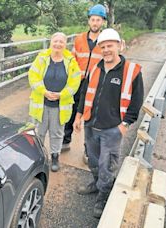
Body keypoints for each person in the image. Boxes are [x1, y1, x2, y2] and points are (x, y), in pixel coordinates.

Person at [73, 28, 144, 218]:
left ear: (119, 45)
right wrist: (79, 115)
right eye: (102, 47)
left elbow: (136, 102)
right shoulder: (96, 68)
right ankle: (96, 184)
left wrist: (124, 125)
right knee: (94, 161)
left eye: (109, 46)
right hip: (90, 125)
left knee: (107, 165)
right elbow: (84, 94)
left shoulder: (131, 71)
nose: (106, 50)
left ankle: (103, 196)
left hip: (112, 129)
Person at [28, 32, 81, 172]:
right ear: (51, 43)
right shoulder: (42, 58)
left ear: (65, 44)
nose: (58, 44)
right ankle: (38, 156)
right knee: (39, 132)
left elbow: (75, 83)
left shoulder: (71, 61)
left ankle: (55, 156)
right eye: (55, 41)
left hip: (60, 105)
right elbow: (32, 77)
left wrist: (61, 95)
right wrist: (44, 91)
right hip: (42, 104)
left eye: (61, 42)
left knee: (57, 133)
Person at [62, 4, 106, 155]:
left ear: (102, 22)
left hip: (95, 84)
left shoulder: (105, 41)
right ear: (89, 21)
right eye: (93, 19)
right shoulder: (79, 39)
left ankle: (89, 150)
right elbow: (72, 60)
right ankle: (65, 140)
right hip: (77, 82)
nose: (95, 23)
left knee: (91, 115)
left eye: (98, 20)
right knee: (71, 111)